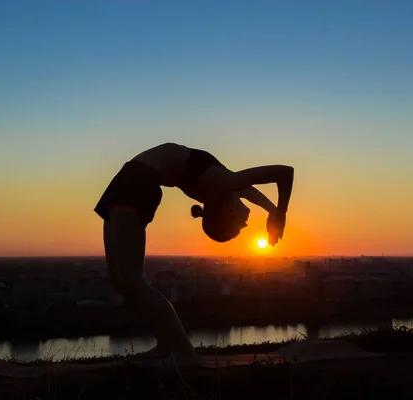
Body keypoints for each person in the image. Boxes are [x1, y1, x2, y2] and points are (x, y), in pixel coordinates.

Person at [94, 142, 294, 367]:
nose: (246, 224)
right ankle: (183, 353)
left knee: (128, 281)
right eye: (241, 227)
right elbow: (285, 172)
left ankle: (171, 346)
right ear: (228, 211)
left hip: (132, 180)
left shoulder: (223, 187)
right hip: (132, 181)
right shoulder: (224, 184)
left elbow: (249, 190)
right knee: (124, 282)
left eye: (241, 226)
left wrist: (273, 211)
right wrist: (280, 214)